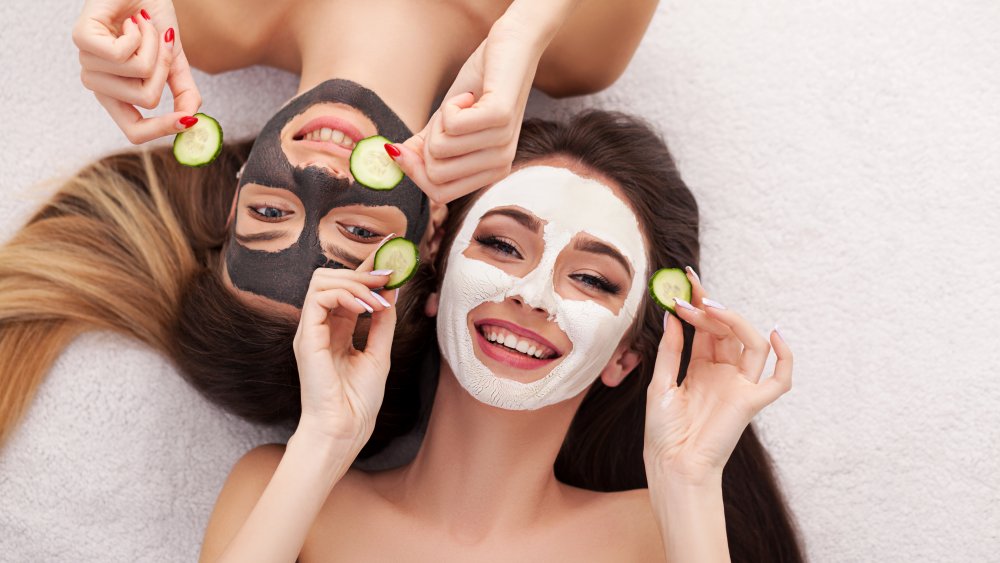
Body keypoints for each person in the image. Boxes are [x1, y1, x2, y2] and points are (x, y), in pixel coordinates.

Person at [0, 0, 659, 446]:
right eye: (359, 235)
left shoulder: (200, 17)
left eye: (268, 213)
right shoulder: (577, 49)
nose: (320, 177)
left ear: (233, 198)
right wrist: (527, 26)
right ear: (431, 235)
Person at [201, 111, 805, 562]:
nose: (532, 294)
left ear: (626, 355)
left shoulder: (664, 536)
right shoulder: (282, 491)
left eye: (593, 279)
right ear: (435, 278)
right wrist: (326, 440)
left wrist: (690, 483)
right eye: (501, 245)